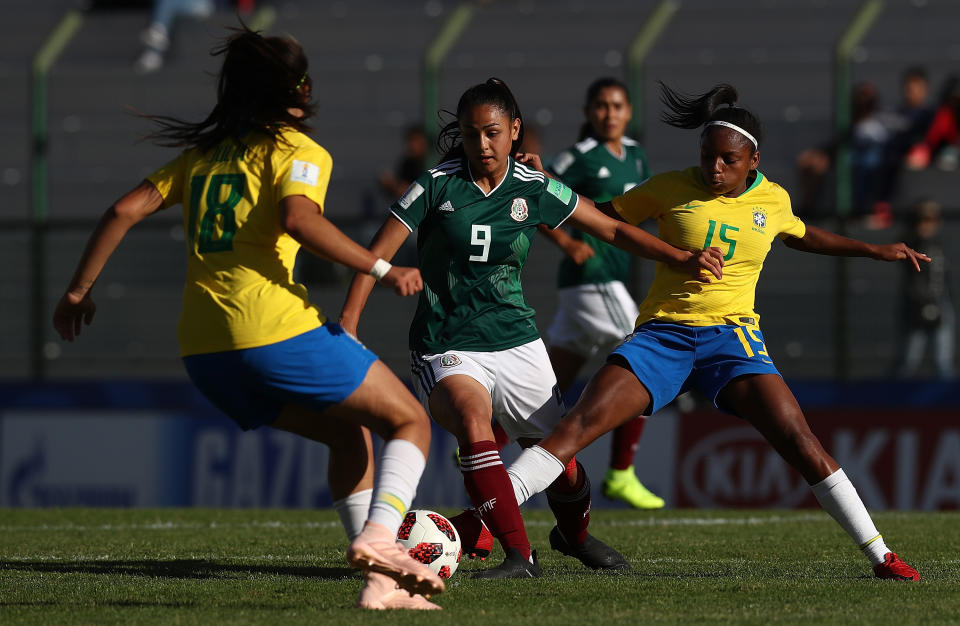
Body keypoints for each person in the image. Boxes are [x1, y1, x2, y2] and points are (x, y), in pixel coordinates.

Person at [53, 27, 445, 610]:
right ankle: (384, 541)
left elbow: (122, 209)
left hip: (205, 355)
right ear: (298, 91)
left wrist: (78, 291)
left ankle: (382, 587)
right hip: (273, 330)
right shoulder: (297, 150)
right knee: (411, 422)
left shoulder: (203, 157)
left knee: (346, 433)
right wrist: (383, 268)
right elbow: (299, 220)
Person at [504, 82, 925, 581]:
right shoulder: (668, 186)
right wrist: (546, 179)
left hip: (734, 340)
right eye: (708, 158)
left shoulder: (773, 199)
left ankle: (881, 556)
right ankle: (476, 522)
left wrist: (873, 249)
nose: (714, 168)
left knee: (799, 438)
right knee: (575, 429)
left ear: (754, 160)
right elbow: (600, 216)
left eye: (727, 160)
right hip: (665, 334)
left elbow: (804, 234)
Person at [339, 78, 722, 579]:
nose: (482, 145)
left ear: (515, 130)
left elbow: (609, 227)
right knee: (475, 422)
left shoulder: (532, 185)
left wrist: (679, 256)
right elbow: (377, 254)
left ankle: (574, 537)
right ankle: (520, 555)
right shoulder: (436, 183)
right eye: (472, 133)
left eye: (493, 132)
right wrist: (347, 325)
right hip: (447, 342)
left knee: (558, 461)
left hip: (517, 340)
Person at [897, 199, 955, 379]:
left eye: (931, 221)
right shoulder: (911, 243)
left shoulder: (942, 244)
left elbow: (945, 277)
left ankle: (946, 403)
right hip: (916, 303)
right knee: (910, 359)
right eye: (923, 220)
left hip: (941, 301)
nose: (927, 225)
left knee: (943, 360)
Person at [378, 125, 429, 201]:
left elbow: (421, 194)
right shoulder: (407, 163)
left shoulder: (432, 162)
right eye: (409, 140)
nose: (411, 145)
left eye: (414, 140)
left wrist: (394, 185)